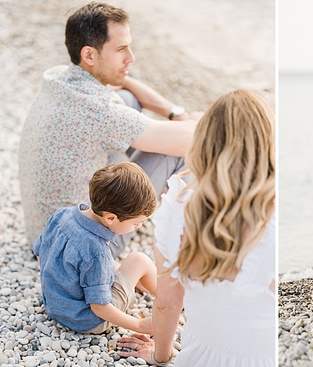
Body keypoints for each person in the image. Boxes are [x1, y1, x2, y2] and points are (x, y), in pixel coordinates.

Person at [19, 2, 200, 257]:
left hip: (46, 233)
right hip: (83, 248)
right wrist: (191, 119)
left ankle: (166, 208)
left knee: (129, 99)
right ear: (89, 55)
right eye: (121, 49)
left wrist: (174, 112)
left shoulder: (60, 76)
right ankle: (187, 236)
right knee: (179, 148)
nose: (131, 57)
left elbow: (123, 81)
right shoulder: (99, 111)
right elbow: (195, 138)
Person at [117, 90, 276, 366]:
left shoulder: (178, 202)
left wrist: (160, 356)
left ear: (206, 138)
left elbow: (167, 303)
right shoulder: (274, 214)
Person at [33, 162, 157, 334]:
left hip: (55, 306)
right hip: (89, 321)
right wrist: (137, 325)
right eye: (136, 223)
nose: (139, 226)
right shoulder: (96, 251)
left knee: (111, 267)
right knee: (139, 260)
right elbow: (100, 307)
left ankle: (134, 285)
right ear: (111, 218)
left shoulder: (62, 215)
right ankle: (171, 301)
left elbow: (40, 252)